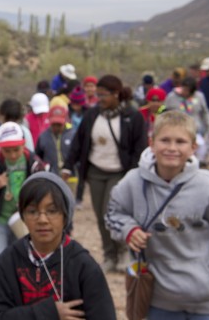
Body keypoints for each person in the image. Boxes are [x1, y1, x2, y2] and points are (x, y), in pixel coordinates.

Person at [105, 110, 209, 319]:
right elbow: (113, 215)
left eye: (180, 142)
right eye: (165, 140)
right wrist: (129, 230)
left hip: (207, 302)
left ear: (193, 147)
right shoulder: (133, 182)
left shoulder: (208, 187)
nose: (172, 148)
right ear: (152, 143)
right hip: (157, 301)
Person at [0, 172, 116, 320]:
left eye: (52, 211)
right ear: (22, 216)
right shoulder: (7, 262)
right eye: (32, 211)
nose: (42, 219)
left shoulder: (83, 266)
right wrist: (49, 313)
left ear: (65, 216)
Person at [62, 74, 147, 273]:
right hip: (95, 172)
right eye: (97, 95)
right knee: (101, 217)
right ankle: (109, 255)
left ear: (116, 94)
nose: (99, 99)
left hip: (119, 173)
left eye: (103, 95)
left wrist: (135, 174)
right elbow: (79, 142)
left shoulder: (132, 117)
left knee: (112, 213)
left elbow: (139, 147)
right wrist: (68, 165)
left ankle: (123, 251)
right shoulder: (92, 115)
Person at [0, 122, 48, 271]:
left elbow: (46, 187)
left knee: (23, 259)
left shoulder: (34, 163)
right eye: (7, 151)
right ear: (0, 148)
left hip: (25, 220)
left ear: (24, 145)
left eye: (16, 149)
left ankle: (19, 292)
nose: (13, 155)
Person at [165, 76, 209, 165]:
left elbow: (206, 113)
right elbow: (162, 109)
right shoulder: (172, 96)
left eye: (187, 90)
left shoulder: (199, 97)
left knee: (199, 149)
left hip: (195, 130)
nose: (184, 91)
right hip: (176, 129)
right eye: (183, 88)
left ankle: (197, 165)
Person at [35, 105, 76, 176]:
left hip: (70, 177)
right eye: (54, 124)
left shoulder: (73, 135)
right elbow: (38, 157)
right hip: (50, 177)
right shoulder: (43, 137)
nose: (56, 127)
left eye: (59, 124)